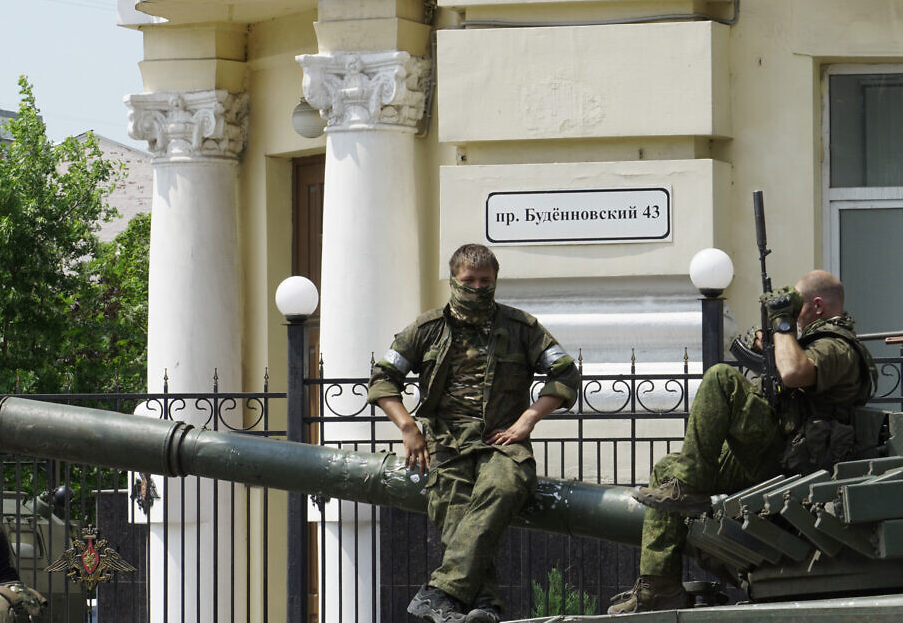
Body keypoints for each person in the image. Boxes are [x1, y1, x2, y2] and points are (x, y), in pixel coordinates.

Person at [608, 270, 876, 614]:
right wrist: (772, 342)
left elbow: (795, 373)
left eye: (796, 306)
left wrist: (782, 327)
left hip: (790, 457)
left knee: (722, 378)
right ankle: (659, 588)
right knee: (666, 469)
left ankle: (689, 486)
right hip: (777, 445)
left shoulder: (838, 345)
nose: (791, 314)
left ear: (818, 306)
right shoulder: (812, 341)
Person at [368, 243, 581, 623]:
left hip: (503, 443)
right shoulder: (426, 329)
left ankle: (441, 594)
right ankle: (484, 607)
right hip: (445, 444)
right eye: (469, 280)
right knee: (455, 512)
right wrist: (408, 428)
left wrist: (528, 420)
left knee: (503, 488)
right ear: (453, 280)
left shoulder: (522, 329)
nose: (477, 287)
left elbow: (565, 372)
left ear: (496, 281)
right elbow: (384, 379)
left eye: (486, 281)